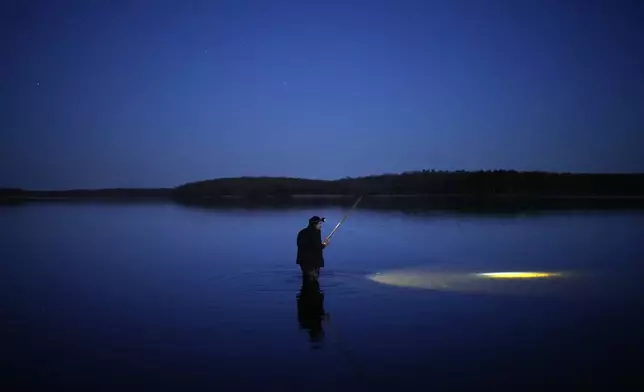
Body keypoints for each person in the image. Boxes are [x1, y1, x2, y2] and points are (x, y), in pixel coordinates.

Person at [296, 216, 329, 281]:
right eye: (319, 224)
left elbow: (301, 245)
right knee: (313, 281)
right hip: (312, 262)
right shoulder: (315, 233)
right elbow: (317, 247)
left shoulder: (302, 232)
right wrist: (325, 244)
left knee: (306, 280)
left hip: (303, 261)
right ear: (314, 224)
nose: (321, 226)